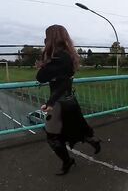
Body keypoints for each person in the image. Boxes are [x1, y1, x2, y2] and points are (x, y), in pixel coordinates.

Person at [36, 24, 101, 176]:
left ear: (50, 38)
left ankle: (67, 161)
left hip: (59, 104)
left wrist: (50, 103)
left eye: (46, 37)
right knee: (75, 129)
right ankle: (94, 141)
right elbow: (65, 81)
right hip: (70, 101)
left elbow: (40, 77)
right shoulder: (68, 56)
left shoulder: (57, 57)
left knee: (52, 137)